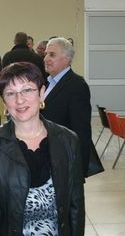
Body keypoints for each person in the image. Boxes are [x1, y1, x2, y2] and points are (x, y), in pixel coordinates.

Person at [0, 62, 85, 236]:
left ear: (42, 93)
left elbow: (76, 205)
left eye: (27, 90)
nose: (19, 100)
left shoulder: (68, 140)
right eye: (10, 93)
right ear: (4, 100)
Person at [41, 37, 93, 176]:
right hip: (46, 156)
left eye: (52, 54)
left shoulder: (76, 85)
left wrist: (78, 167)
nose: (46, 58)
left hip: (63, 158)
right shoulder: (48, 83)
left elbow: (81, 130)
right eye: (46, 54)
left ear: (66, 59)